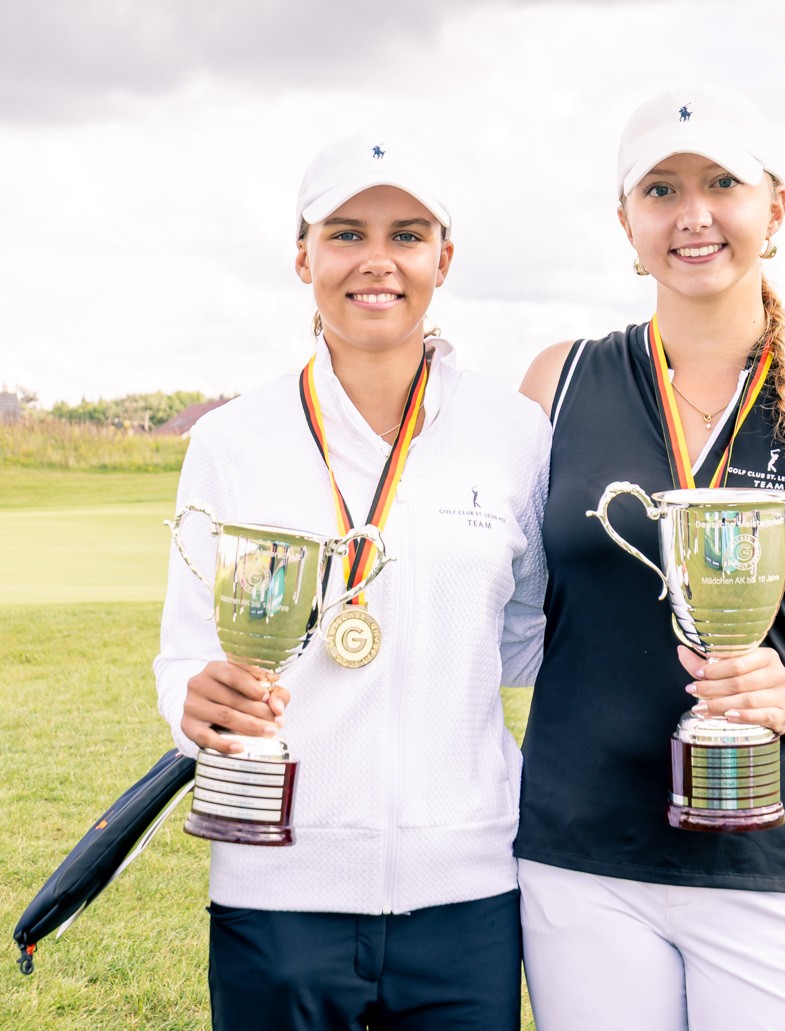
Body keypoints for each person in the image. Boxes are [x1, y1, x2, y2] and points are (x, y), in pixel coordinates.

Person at [513, 84, 785, 1029]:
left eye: (721, 183)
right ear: (626, 221)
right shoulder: (558, 383)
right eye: (660, 191)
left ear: (774, 207)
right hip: (579, 857)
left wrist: (782, 697)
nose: (693, 214)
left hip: (772, 864)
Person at [154, 133, 550, 1031]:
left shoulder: (515, 434)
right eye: (345, 233)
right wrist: (196, 696)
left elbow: (528, 641)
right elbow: (186, 653)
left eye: (407, 235)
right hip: (277, 889)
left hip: (471, 893)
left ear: (444, 258)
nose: (377, 261)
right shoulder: (233, 439)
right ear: (303, 255)